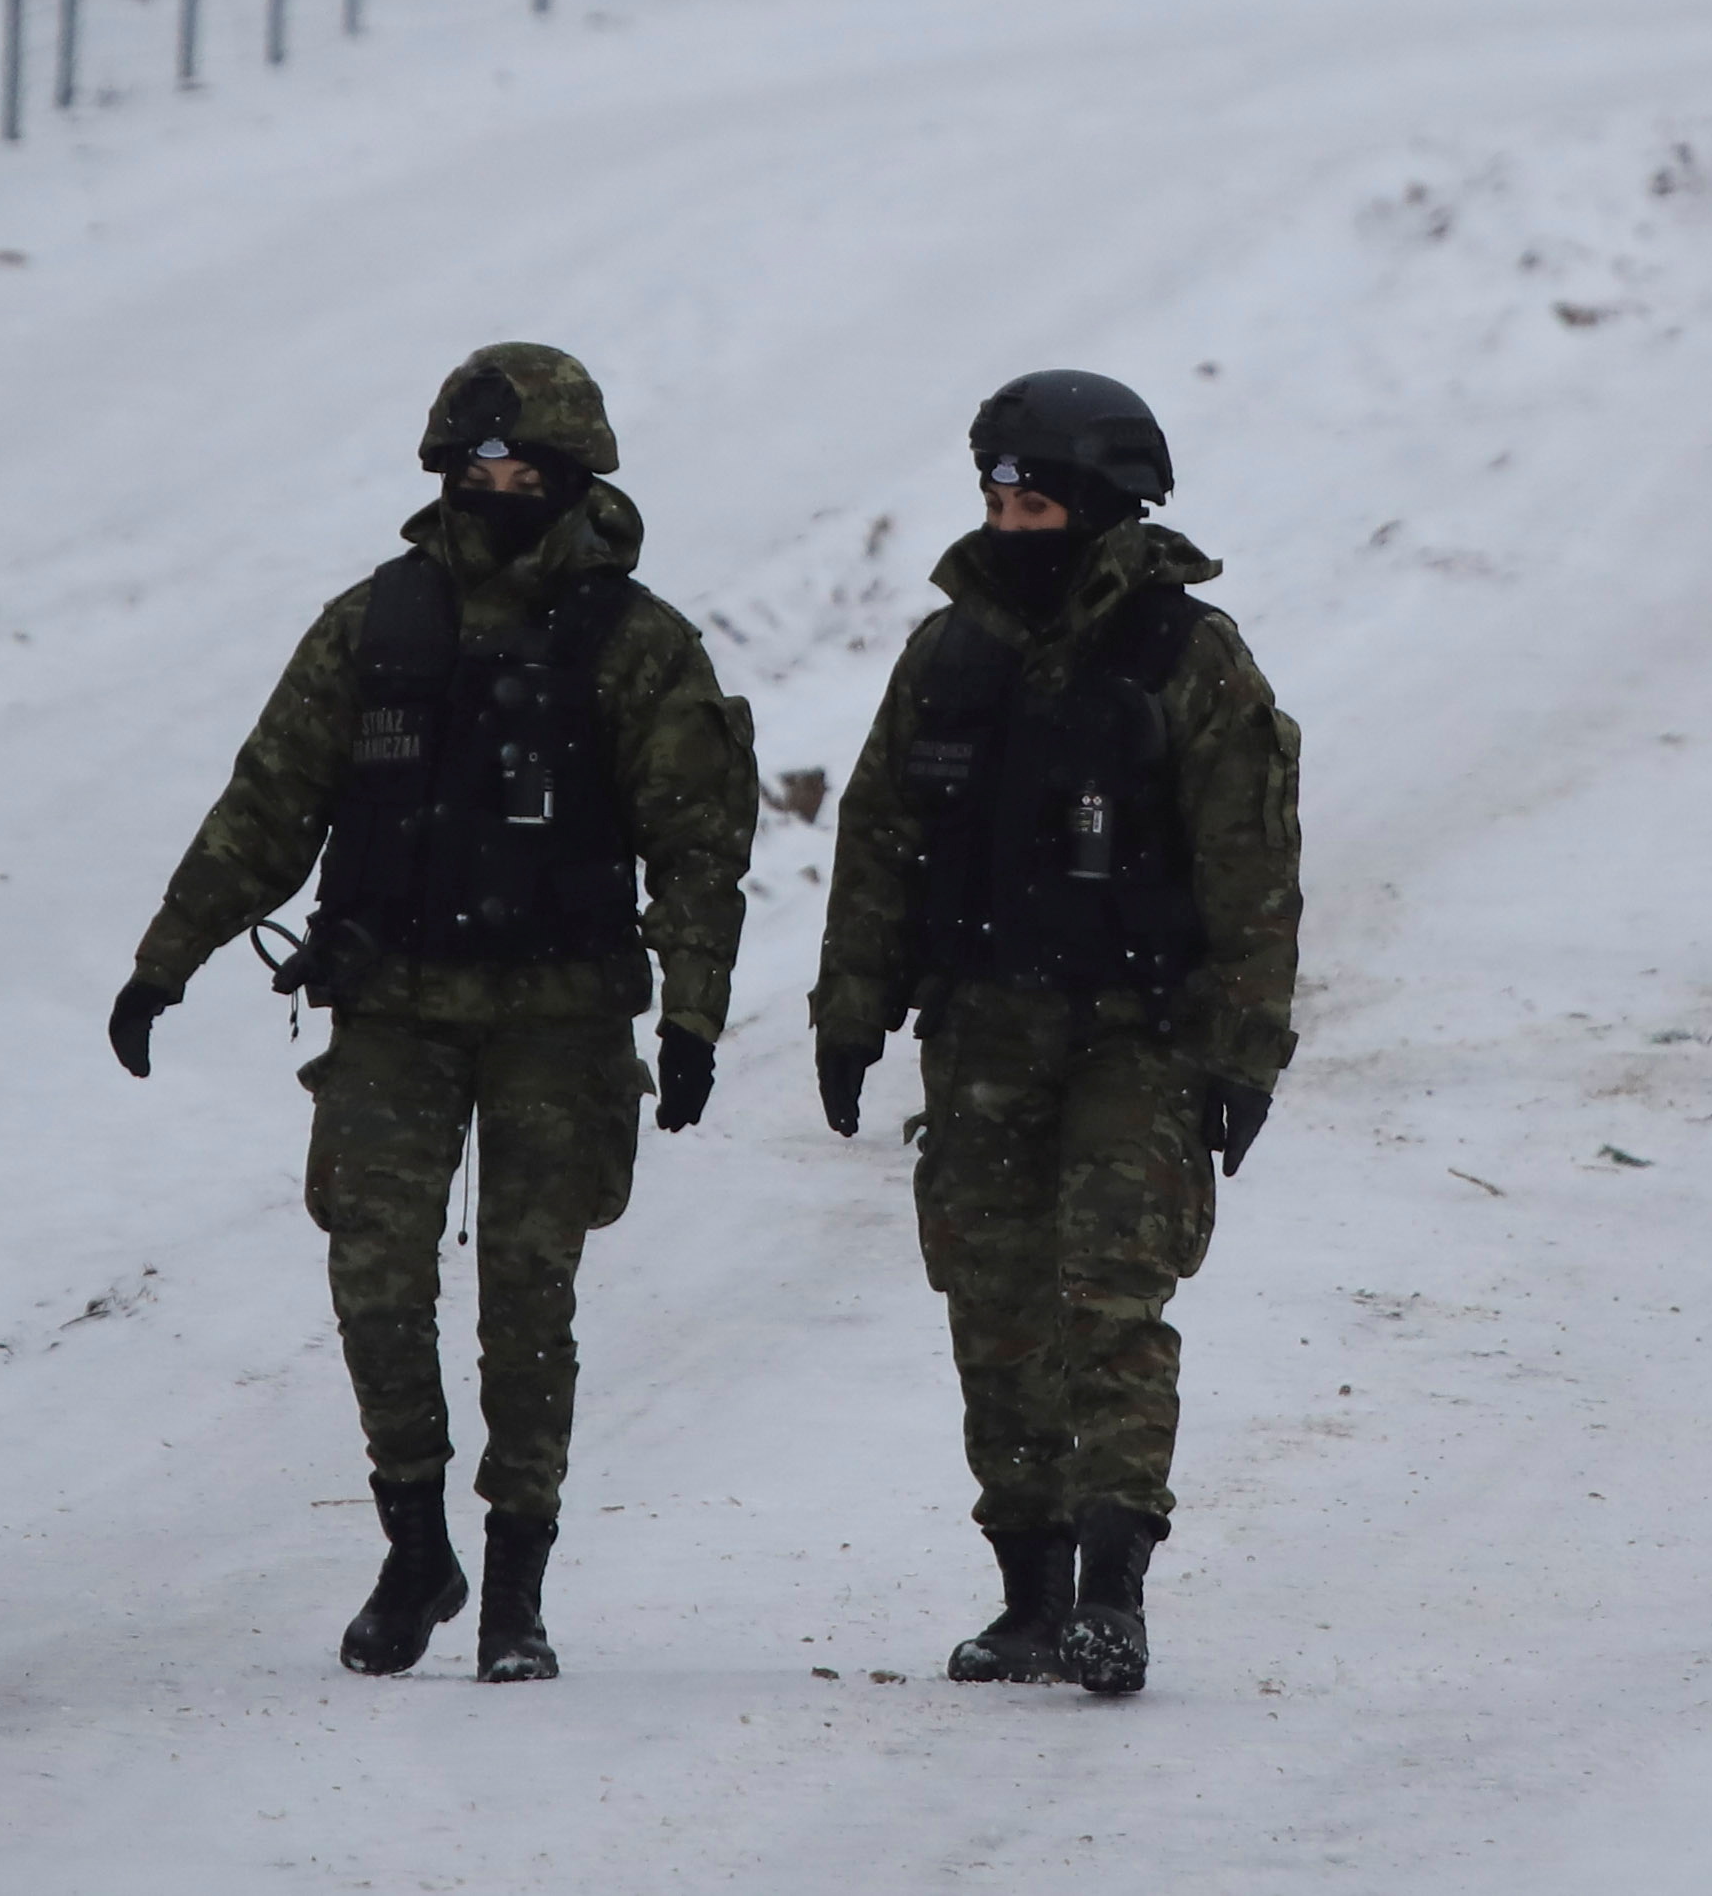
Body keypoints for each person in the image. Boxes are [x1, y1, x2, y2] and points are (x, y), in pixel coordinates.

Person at [108, 341, 752, 1687]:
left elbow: (698, 846)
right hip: (393, 1006)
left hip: (560, 1020)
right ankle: (416, 1546)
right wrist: (168, 960)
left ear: (576, 480)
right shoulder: (376, 628)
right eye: (478, 467)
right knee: (374, 1279)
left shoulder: (638, 645)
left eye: (525, 469)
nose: (500, 487)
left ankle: (517, 1583)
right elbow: (268, 805)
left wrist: (693, 1014)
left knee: (529, 1297)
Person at [809, 368, 1304, 1699]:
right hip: (979, 1036)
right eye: (998, 497)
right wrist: (849, 1012)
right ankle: (1026, 1592)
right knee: (995, 1308)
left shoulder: (1188, 661)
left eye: (1034, 498)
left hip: (1135, 1035)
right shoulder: (948, 654)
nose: (1010, 518)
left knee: (1111, 1298)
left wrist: (1245, 1053)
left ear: (1097, 503)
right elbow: (878, 845)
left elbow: (1253, 870)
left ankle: (1111, 1589)